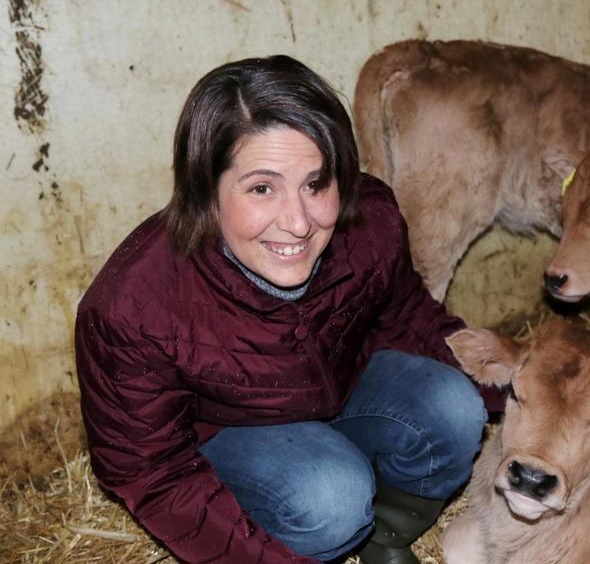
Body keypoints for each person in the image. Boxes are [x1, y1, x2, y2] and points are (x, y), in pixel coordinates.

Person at [75, 55, 501, 563]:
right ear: (206, 191)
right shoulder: (133, 307)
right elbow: (149, 469)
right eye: (262, 188)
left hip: (343, 389)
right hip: (229, 433)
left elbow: (410, 320)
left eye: (316, 183)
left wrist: (522, 392)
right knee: (330, 495)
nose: (298, 223)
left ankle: (387, 538)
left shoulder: (372, 222)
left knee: (454, 407)